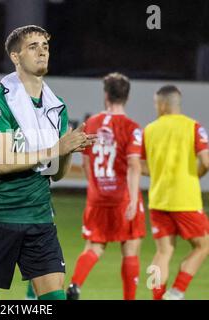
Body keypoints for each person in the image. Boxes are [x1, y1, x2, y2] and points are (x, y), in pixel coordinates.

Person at [0, 25, 96, 300]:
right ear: (15, 56)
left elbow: (58, 174)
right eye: (33, 46)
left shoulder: (55, 105)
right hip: (0, 217)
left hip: (39, 218)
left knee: (53, 296)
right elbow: (0, 163)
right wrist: (54, 148)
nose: (42, 51)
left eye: (45, 46)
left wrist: (67, 149)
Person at [65, 73, 146, 300]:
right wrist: (131, 199)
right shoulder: (132, 128)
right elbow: (133, 165)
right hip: (123, 198)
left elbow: (87, 162)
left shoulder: (92, 123)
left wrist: (94, 188)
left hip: (98, 197)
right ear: (127, 97)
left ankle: (75, 285)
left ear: (106, 95)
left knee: (94, 247)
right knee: (130, 249)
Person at [141, 85, 209, 300]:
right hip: (185, 200)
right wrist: (195, 174)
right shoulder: (193, 127)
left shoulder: (149, 129)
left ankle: (157, 296)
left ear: (161, 104)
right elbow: (206, 161)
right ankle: (176, 292)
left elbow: (141, 166)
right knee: (203, 245)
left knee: (163, 252)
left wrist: (159, 173)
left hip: (158, 200)